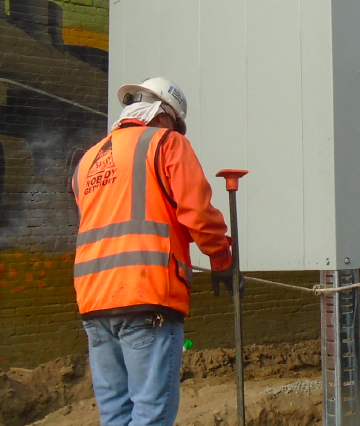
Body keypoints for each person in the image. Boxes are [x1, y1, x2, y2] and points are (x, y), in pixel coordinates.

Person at [72, 77, 239, 426]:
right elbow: (196, 212)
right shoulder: (166, 143)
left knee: (116, 414)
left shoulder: (89, 159)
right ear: (164, 116)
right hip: (147, 297)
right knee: (151, 414)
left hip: (94, 304)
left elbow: (125, 219)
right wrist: (221, 259)